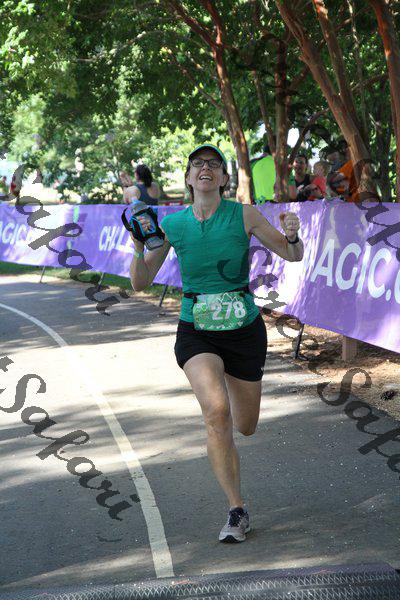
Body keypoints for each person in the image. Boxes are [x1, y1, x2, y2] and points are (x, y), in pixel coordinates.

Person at [129, 143, 303, 543]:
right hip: (197, 329)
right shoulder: (173, 225)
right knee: (216, 412)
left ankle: (233, 397)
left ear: (224, 178)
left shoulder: (244, 215)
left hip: (243, 330)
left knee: (246, 426)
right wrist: (138, 246)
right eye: (197, 164)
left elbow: (291, 254)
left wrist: (293, 236)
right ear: (189, 178)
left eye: (213, 164)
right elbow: (140, 282)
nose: (205, 168)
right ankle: (236, 509)